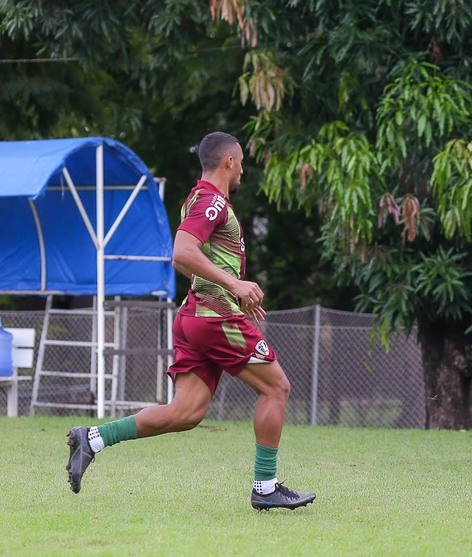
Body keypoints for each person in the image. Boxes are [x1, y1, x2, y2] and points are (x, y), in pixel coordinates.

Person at [65, 132, 316, 511]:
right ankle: (265, 489)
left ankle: (93, 439)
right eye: (242, 162)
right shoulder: (212, 202)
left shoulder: (199, 199)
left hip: (197, 315)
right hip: (214, 317)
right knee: (276, 389)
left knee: (186, 413)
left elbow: (198, 257)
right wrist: (233, 286)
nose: (243, 169)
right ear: (228, 161)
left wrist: (231, 291)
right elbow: (182, 253)